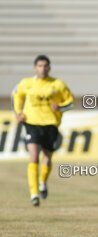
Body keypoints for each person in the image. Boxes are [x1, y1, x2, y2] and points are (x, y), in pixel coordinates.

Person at [12, 55, 74, 207]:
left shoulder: (57, 84)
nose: (43, 68)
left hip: (51, 124)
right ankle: (34, 194)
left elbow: (71, 102)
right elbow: (17, 96)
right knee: (33, 157)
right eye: (40, 66)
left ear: (49, 68)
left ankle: (42, 182)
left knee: (46, 158)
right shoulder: (26, 83)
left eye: (45, 66)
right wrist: (18, 112)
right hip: (32, 123)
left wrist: (59, 107)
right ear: (35, 68)